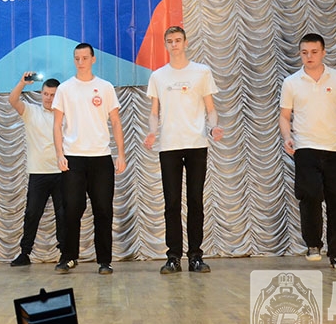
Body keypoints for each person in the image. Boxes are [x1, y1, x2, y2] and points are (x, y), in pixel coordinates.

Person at [144, 27, 224, 274]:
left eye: (178, 40)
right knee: (172, 203)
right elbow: (154, 112)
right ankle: (173, 257)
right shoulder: (158, 76)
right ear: (165, 45)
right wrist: (152, 131)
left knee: (195, 201)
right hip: (169, 145)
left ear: (186, 43)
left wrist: (214, 127)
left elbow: (210, 108)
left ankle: (196, 256)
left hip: (196, 144)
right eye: (170, 41)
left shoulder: (202, 72)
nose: (174, 44)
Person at [279, 33, 336, 269]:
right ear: (300, 54)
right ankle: (313, 243)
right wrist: (287, 137)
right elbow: (284, 116)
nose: (309, 57)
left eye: (314, 52)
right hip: (305, 147)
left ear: (323, 52)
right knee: (310, 194)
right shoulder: (291, 82)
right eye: (304, 52)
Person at [52, 43, 126, 275]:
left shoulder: (105, 87)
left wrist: (121, 154)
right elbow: (57, 124)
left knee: (103, 210)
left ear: (93, 59)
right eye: (77, 58)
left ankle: (104, 260)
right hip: (73, 158)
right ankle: (69, 257)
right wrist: (60, 153)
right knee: (72, 209)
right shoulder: (65, 89)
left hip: (101, 158)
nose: (81, 62)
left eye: (85, 58)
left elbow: (116, 122)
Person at [8, 72, 64, 267]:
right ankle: (25, 253)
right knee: (32, 213)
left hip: (62, 172)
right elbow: (13, 100)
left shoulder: (66, 115)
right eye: (46, 94)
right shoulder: (31, 111)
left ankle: (65, 255)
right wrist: (22, 83)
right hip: (38, 173)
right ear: (41, 94)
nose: (49, 98)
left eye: (53, 95)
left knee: (63, 215)